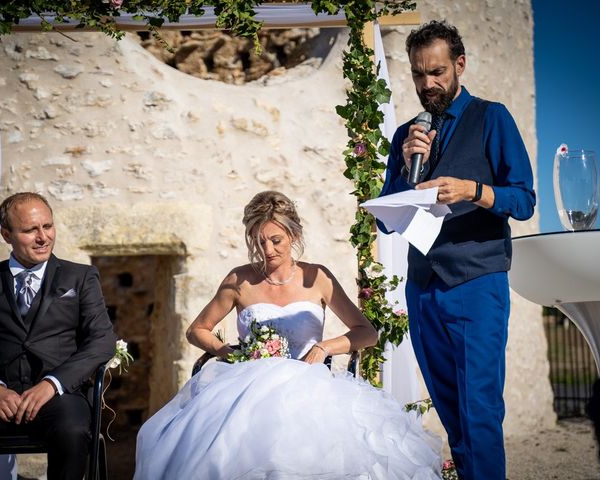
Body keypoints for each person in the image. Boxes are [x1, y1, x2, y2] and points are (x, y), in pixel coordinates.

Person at [134, 190, 442, 479]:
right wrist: (228, 352)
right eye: (259, 242)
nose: (268, 250)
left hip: (310, 386)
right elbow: (196, 330)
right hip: (246, 388)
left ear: (293, 235)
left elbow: (367, 333)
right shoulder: (240, 280)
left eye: (276, 240)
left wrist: (325, 347)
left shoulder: (317, 277)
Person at [376, 20, 536, 480]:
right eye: (418, 75)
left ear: (459, 65)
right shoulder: (406, 134)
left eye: (438, 72)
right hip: (423, 288)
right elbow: (386, 220)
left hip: (476, 283)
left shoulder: (493, 117)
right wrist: (406, 166)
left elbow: (522, 200)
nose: (428, 84)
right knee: (451, 415)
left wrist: (473, 189)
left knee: (479, 410)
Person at [0, 192, 117, 480]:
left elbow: (102, 340)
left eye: (47, 226)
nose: (43, 237)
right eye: (31, 229)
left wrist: (52, 383)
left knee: (73, 431)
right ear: (7, 235)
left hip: (59, 397)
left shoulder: (80, 277)